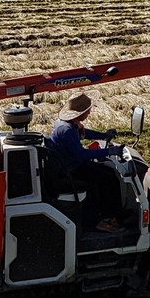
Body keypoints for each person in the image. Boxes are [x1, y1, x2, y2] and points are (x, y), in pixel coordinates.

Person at [48, 91, 126, 234]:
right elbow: (81, 154)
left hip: (71, 164)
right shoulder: (66, 130)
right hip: (70, 169)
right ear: (79, 112)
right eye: (87, 110)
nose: (89, 112)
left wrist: (104, 135)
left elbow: (85, 133)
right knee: (108, 179)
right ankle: (106, 220)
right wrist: (109, 152)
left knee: (108, 172)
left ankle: (112, 214)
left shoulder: (70, 124)